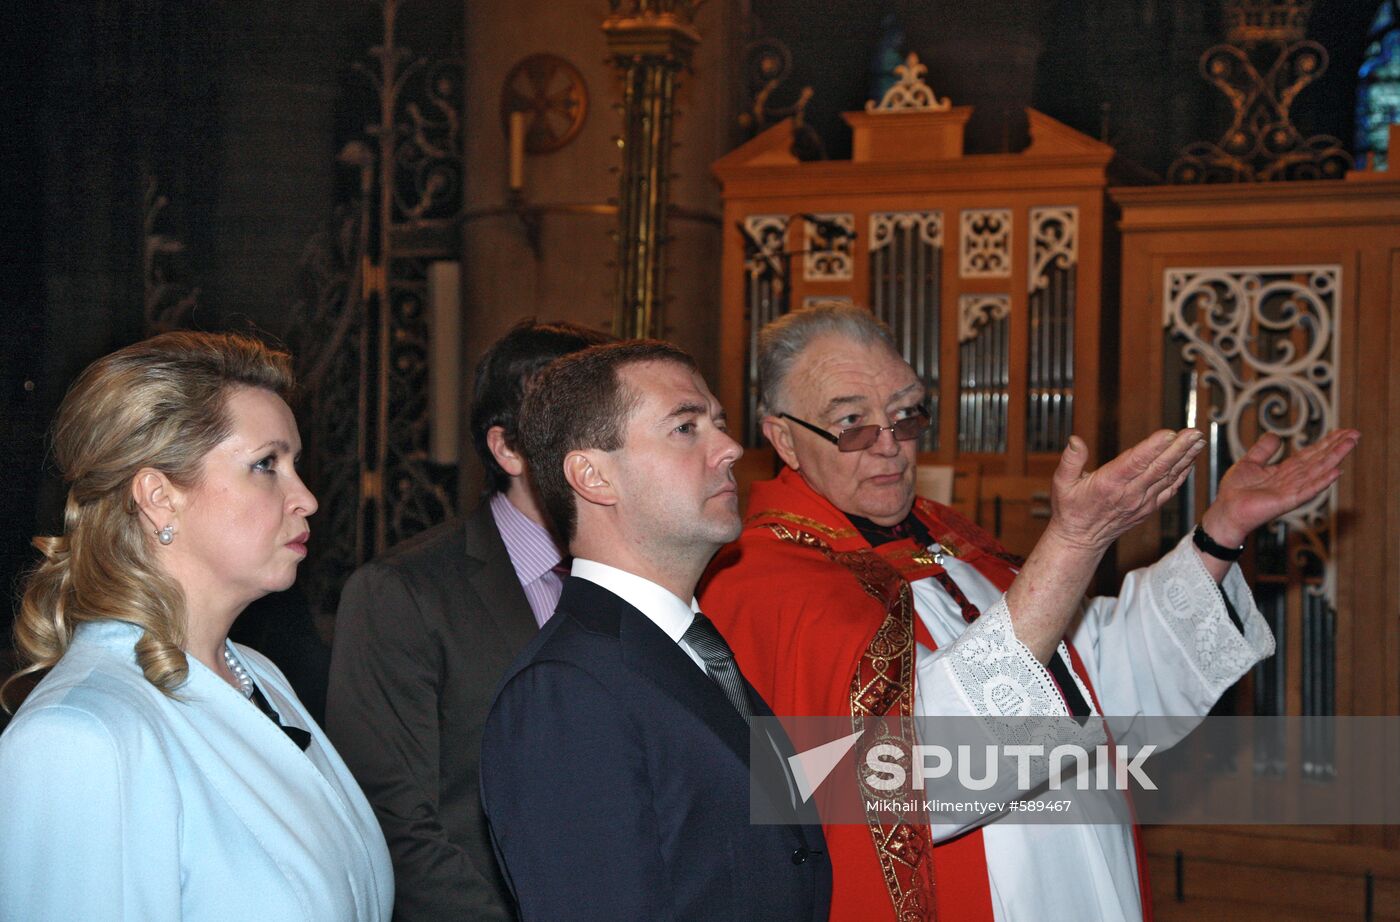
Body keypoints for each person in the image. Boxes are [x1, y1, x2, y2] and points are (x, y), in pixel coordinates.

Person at [698, 304, 1359, 922]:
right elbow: (914, 770)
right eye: (852, 423)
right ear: (783, 438)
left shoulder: (948, 538)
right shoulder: (763, 583)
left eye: (906, 414)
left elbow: (1088, 680)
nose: (891, 445)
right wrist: (1073, 545)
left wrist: (1218, 535)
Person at [0, 331, 393, 921]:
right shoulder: (79, 736)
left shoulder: (256, 674)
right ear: (159, 496)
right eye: (267, 465)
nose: (306, 497)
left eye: (295, 464)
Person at [479, 340, 832, 922]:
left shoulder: (695, 649)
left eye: (717, 423)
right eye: (686, 428)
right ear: (593, 477)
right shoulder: (563, 693)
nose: (729, 447)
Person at [325, 319, 611, 920]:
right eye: (579, 429)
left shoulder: (645, 581)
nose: (605, 452)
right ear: (507, 448)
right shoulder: (402, 593)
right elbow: (395, 822)